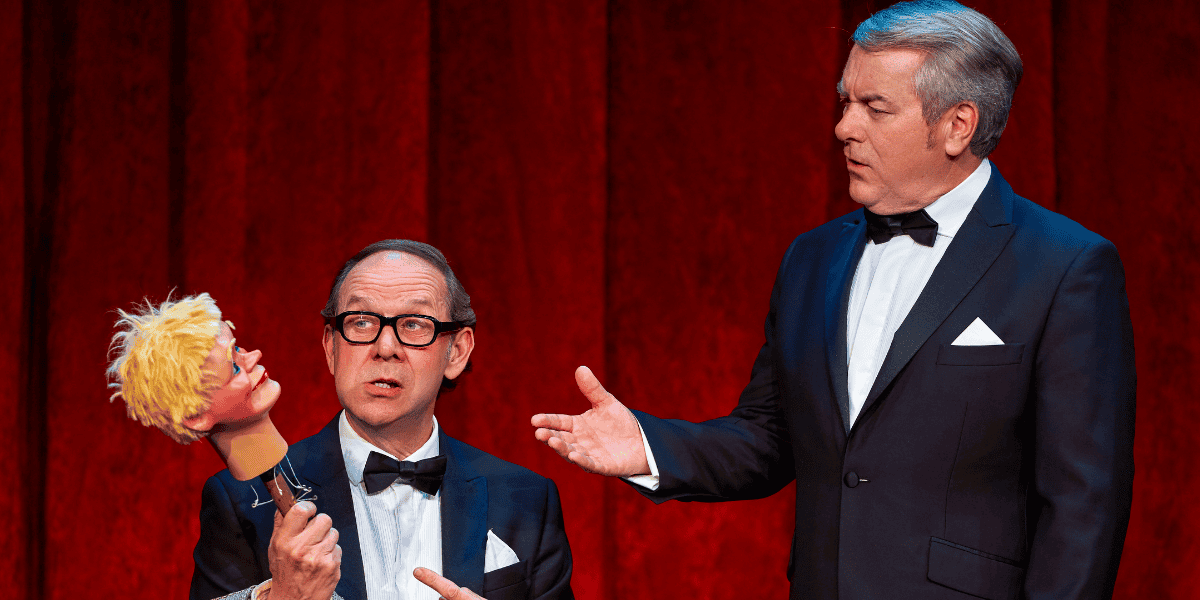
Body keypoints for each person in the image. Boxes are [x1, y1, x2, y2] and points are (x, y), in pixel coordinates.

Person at [532, 1, 1135, 599]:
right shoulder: (812, 257)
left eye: (875, 107)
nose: (845, 127)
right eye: (846, 102)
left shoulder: (1065, 266)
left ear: (958, 125)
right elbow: (768, 439)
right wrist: (646, 446)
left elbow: (1084, 504)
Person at [190, 239, 574, 600]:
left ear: (457, 352)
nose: (385, 347)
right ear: (331, 347)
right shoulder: (241, 502)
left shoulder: (527, 499)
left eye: (414, 324)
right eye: (361, 322)